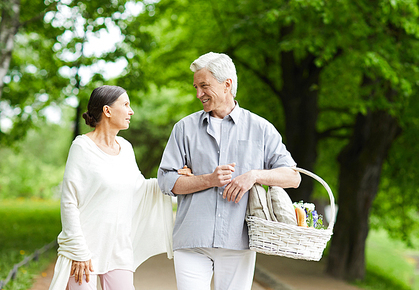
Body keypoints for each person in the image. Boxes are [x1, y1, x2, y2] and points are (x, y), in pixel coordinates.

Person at [157, 52, 301, 290]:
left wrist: (254, 175)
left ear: (227, 85)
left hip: (239, 241)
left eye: (204, 86)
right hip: (192, 239)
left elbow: (293, 176)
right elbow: (166, 180)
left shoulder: (261, 129)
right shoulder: (184, 128)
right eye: (196, 87)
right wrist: (209, 179)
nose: (198, 94)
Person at [49, 85, 174, 290]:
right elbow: (69, 201)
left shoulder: (125, 148)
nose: (131, 111)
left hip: (118, 248)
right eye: (125, 105)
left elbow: (139, 188)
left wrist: (173, 178)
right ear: (107, 111)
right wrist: (79, 250)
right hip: (84, 250)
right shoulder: (82, 147)